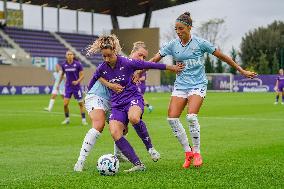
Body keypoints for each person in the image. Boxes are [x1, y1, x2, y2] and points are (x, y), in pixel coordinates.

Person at [149, 12, 257, 168]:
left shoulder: (200, 43)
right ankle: (188, 153)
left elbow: (223, 56)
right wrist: (139, 71)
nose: (178, 32)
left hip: (198, 84)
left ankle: (198, 152)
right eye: (176, 29)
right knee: (172, 119)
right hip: (181, 85)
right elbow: (154, 60)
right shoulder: (172, 44)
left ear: (189, 27)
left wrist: (241, 70)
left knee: (191, 117)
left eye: (181, 28)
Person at [87, 34, 183, 172]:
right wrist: (90, 94)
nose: (106, 59)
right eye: (104, 56)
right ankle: (138, 164)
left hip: (133, 98)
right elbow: (95, 79)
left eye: (109, 55)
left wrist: (171, 67)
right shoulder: (102, 67)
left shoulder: (127, 62)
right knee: (115, 132)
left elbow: (150, 64)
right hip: (117, 105)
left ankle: (150, 148)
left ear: (114, 51)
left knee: (134, 117)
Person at [58, 50, 87, 126]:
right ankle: (67, 119)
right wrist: (58, 84)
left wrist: (77, 81)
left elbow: (82, 75)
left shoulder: (78, 64)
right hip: (68, 87)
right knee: (65, 104)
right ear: (66, 56)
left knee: (80, 104)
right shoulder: (64, 65)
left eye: (71, 54)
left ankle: (83, 120)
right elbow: (62, 75)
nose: (70, 55)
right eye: (68, 54)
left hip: (76, 88)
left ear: (73, 56)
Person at [130, 41, 154, 113]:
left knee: (139, 97)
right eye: (140, 55)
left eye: (144, 57)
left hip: (140, 85)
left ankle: (148, 106)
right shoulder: (124, 62)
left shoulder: (141, 67)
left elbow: (143, 78)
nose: (142, 59)